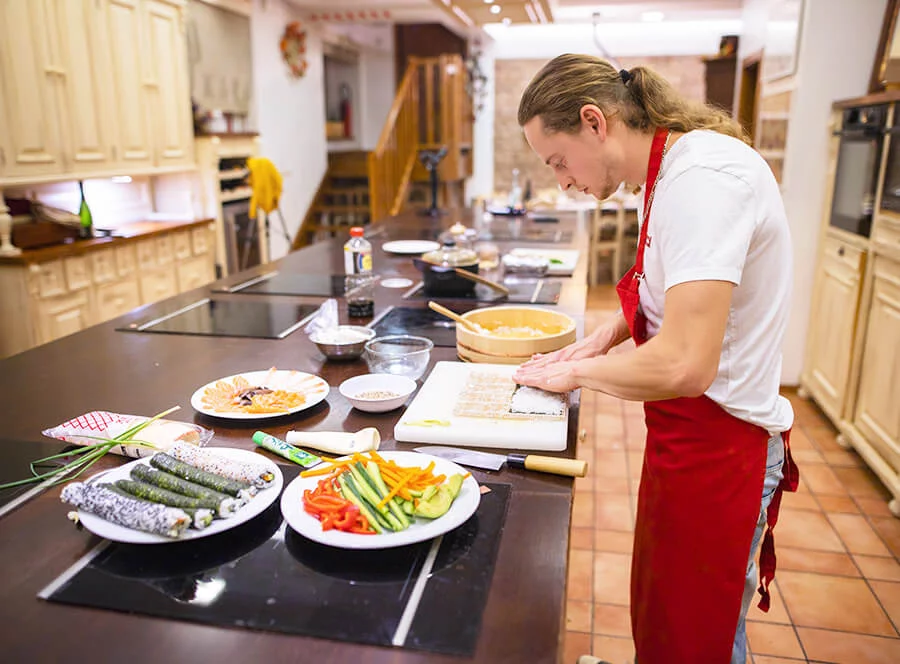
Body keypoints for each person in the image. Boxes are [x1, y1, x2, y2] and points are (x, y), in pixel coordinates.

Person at [514, 54, 800, 664]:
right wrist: (604, 337)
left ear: (594, 122)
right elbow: (671, 285)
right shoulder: (668, 170)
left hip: (725, 445)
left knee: (698, 640)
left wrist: (573, 373)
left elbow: (685, 364)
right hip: (685, 438)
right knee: (663, 615)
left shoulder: (705, 179)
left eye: (559, 160)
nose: (562, 181)